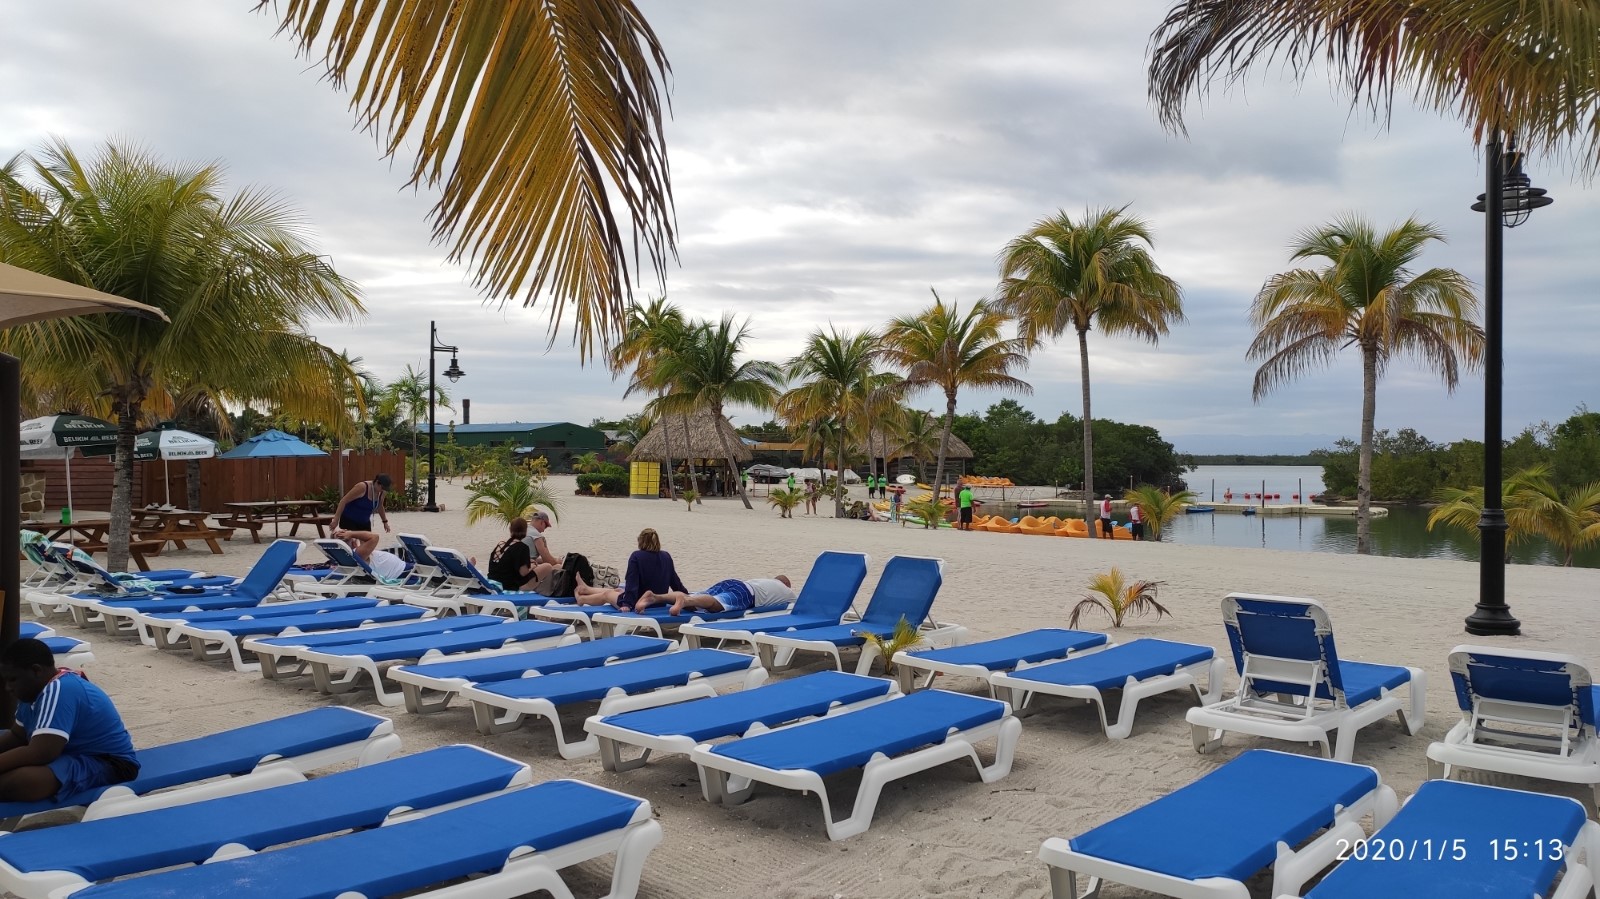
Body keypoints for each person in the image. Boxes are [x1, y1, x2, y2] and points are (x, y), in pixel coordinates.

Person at [0, 638, 138, 802]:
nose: (7, 688)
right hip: (71, 753)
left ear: (36, 671)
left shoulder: (60, 689)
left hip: (110, 762)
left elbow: (42, 753)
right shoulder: (31, 692)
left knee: (25, 782)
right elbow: (17, 736)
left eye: (13, 680)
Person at [574, 528, 686, 609]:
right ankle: (586, 589)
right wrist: (686, 597)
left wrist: (627, 604)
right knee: (617, 591)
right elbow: (675, 582)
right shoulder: (666, 556)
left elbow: (632, 582)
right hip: (659, 602)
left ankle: (582, 599)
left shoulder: (637, 556)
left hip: (638, 602)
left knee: (607, 595)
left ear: (640, 541)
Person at [637, 575, 794, 616]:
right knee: (714, 604)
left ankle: (656, 597)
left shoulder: (765, 581)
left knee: (697, 598)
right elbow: (799, 605)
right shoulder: (788, 592)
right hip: (746, 593)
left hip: (734, 582)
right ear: (786, 584)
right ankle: (684, 600)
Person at [334, 528, 409, 581]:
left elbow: (366, 540)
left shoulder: (343, 556)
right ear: (353, 543)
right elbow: (375, 537)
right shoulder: (358, 553)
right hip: (404, 572)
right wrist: (351, 533)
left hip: (399, 570)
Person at [487, 518, 540, 590]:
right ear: (525, 531)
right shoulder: (522, 547)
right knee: (547, 566)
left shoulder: (501, 544)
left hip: (494, 580)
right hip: (509, 585)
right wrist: (533, 566)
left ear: (510, 529)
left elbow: (506, 561)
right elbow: (523, 573)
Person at [522, 511, 561, 581]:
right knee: (558, 567)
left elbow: (528, 556)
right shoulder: (536, 536)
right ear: (541, 522)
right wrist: (559, 561)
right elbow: (548, 561)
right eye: (545, 526)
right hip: (525, 574)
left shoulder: (522, 530)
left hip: (516, 569)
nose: (543, 530)